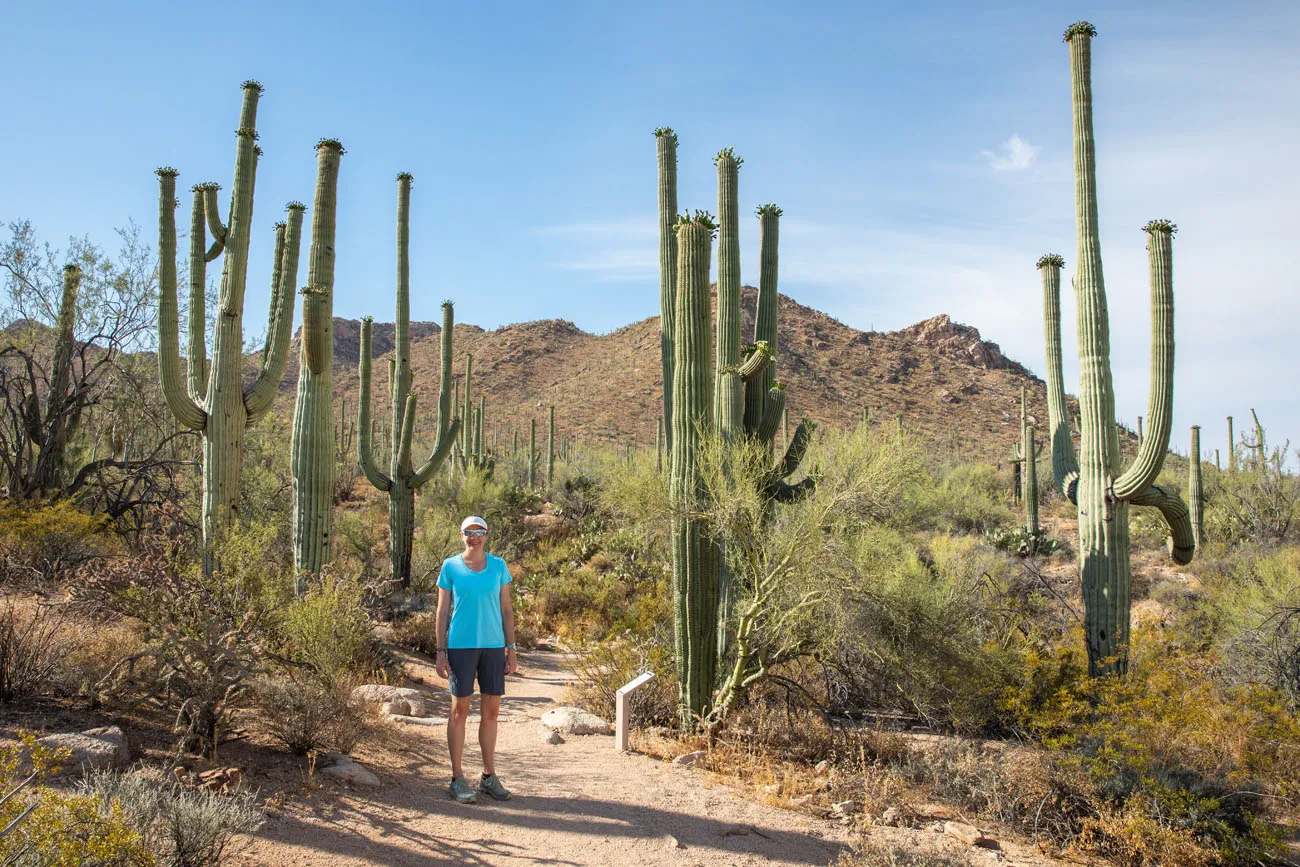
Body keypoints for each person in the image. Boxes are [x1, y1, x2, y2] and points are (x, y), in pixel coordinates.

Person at [435, 515, 517, 804]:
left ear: (487, 534)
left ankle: (488, 777)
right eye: (469, 533)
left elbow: (506, 609)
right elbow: (442, 611)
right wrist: (440, 650)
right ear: (461, 535)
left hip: (493, 646)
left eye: (479, 532)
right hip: (460, 647)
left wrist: (511, 648)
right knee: (459, 711)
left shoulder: (498, 566)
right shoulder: (450, 566)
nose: (474, 537)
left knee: (491, 713)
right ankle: (457, 778)